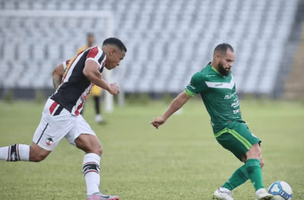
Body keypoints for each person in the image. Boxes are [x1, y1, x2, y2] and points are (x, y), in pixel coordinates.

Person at [0, 37, 127, 200]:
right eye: (120, 59)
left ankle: (94, 194)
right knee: (36, 154)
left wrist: (63, 91)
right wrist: (108, 86)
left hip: (71, 112)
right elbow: (88, 72)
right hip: (61, 110)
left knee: (95, 147)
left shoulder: (83, 56)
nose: (119, 63)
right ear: (112, 52)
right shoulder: (98, 53)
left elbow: (57, 71)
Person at [150, 44, 273, 200]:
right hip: (226, 127)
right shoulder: (202, 77)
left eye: (232, 62)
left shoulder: (227, 72)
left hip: (238, 124)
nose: (230, 65)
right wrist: (164, 117)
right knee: (254, 150)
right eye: (228, 60)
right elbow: (184, 96)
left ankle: (224, 190)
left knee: (256, 162)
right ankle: (260, 192)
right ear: (217, 57)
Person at [77, 33, 105, 123]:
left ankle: (98, 116)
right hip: (84, 77)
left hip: (94, 76)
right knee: (83, 97)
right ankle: (80, 116)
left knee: (97, 95)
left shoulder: (97, 50)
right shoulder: (82, 50)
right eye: (89, 38)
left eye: (92, 38)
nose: (90, 40)